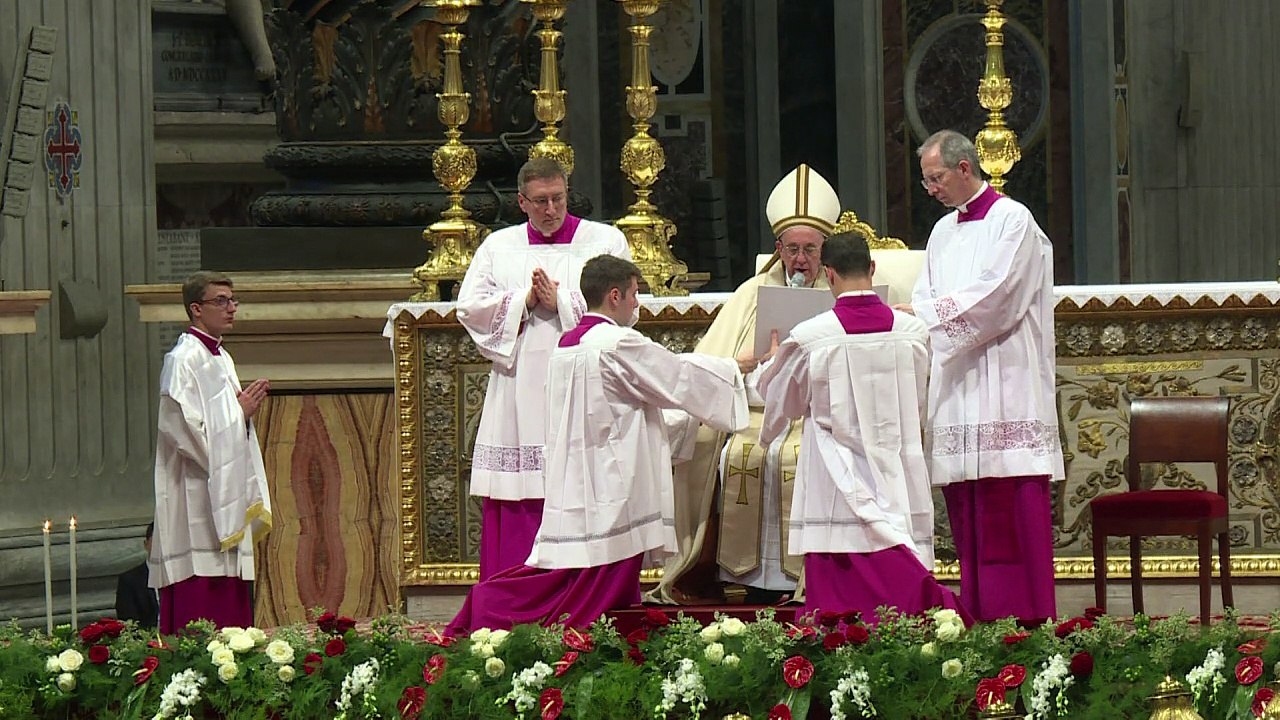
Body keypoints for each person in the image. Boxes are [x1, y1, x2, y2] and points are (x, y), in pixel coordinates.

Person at [447, 255, 748, 632]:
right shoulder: (615, 342)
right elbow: (677, 377)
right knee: (589, 577)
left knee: (574, 573)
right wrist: (737, 367)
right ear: (615, 295)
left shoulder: (568, 346)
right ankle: (490, 606)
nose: (638, 304)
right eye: (635, 294)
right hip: (612, 483)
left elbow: (624, 408)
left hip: (579, 481)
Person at [756, 232, 970, 625]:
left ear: (828, 273)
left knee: (841, 598)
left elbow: (779, 401)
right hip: (896, 465)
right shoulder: (914, 332)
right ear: (872, 270)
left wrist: (769, 365)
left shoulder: (810, 338)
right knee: (901, 572)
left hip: (835, 474)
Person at [650, 164, 841, 604]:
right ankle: (752, 578)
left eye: (810, 250)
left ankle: (806, 579)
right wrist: (753, 367)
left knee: (795, 458)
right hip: (754, 409)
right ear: (778, 248)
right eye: (792, 249)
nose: (800, 260)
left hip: (817, 415)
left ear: (824, 250)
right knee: (743, 452)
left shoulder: (838, 295)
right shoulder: (750, 294)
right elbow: (709, 366)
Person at [899, 129, 1064, 624]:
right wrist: (919, 316)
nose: (930, 189)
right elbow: (926, 294)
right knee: (969, 511)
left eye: (936, 178)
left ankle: (1029, 622)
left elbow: (998, 298)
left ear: (964, 168)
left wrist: (924, 316)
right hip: (959, 386)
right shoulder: (941, 232)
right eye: (926, 180)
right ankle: (980, 619)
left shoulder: (1015, 221)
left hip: (1007, 385)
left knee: (1012, 508)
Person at [456, 157, 632, 581]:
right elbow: (469, 307)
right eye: (540, 201)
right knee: (523, 493)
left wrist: (564, 303)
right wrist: (523, 303)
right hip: (520, 390)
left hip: (586, 387)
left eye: (558, 199)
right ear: (521, 201)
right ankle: (515, 590)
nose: (551, 209)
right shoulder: (498, 247)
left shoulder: (605, 241)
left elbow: (624, 309)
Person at [149, 271, 272, 634]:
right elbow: (181, 433)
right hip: (194, 498)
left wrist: (240, 418)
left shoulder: (221, 357)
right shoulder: (182, 360)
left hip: (222, 495)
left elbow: (226, 421)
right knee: (202, 604)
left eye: (233, 300)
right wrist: (239, 415)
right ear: (196, 309)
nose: (231, 308)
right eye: (222, 301)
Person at [115, 522, 159, 628]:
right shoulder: (129, 580)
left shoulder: (183, 577)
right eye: (157, 540)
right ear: (146, 544)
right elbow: (128, 622)